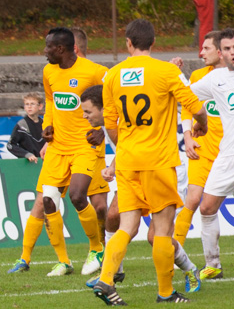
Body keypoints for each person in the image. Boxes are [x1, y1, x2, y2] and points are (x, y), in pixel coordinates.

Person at [92, 19, 207, 306]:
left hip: (128, 161)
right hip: (158, 160)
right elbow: (195, 107)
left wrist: (127, 146)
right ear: (153, 43)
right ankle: (166, 293)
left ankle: (106, 279)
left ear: (128, 43)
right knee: (163, 229)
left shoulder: (112, 76)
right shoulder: (167, 71)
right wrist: (200, 126)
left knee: (127, 226)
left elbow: (110, 124)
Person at [7, 28, 108, 278]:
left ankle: (97, 249)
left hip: (85, 146)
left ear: (61, 49)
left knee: (77, 196)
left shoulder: (95, 71)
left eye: (48, 47)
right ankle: (63, 261)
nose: (44, 51)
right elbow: (51, 101)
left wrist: (104, 128)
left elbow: (115, 100)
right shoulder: (48, 71)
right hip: (57, 148)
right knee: (48, 200)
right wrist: (47, 125)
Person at [80, 85, 200, 290]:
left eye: (88, 112)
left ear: (104, 108)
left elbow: (137, 143)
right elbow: (127, 147)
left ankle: (190, 270)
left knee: (155, 237)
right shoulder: (108, 123)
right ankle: (112, 273)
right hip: (134, 170)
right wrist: (112, 166)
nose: (84, 117)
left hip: (161, 170)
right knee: (112, 217)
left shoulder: (125, 119)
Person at [185, 28, 234, 285]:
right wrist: (197, 124)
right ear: (221, 53)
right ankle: (213, 265)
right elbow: (186, 97)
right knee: (206, 207)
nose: (233, 52)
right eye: (228, 49)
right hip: (229, 155)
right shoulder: (215, 79)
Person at [175, 31, 224, 269]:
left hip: (230, 152)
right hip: (202, 148)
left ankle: (213, 265)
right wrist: (187, 137)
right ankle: (174, 255)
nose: (200, 53)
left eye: (206, 48)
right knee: (193, 199)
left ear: (221, 50)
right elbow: (187, 106)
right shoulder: (198, 75)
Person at [6, 92, 46, 162]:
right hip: (28, 163)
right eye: (27, 104)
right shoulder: (21, 125)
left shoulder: (45, 123)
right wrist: (26, 154)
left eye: (32, 104)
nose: (29, 107)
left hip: (45, 162)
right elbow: (11, 145)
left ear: (40, 106)